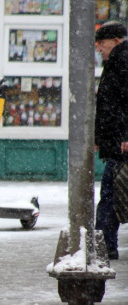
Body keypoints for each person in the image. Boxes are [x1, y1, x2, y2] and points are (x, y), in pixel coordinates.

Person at [94, 21, 128, 260]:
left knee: (110, 196)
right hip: (116, 141)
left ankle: (104, 245)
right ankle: (104, 244)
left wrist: (126, 135)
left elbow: (123, 102)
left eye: (102, 43)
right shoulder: (116, 61)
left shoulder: (122, 60)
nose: (99, 48)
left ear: (116, 41)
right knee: (112, 195)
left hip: (121, 144)